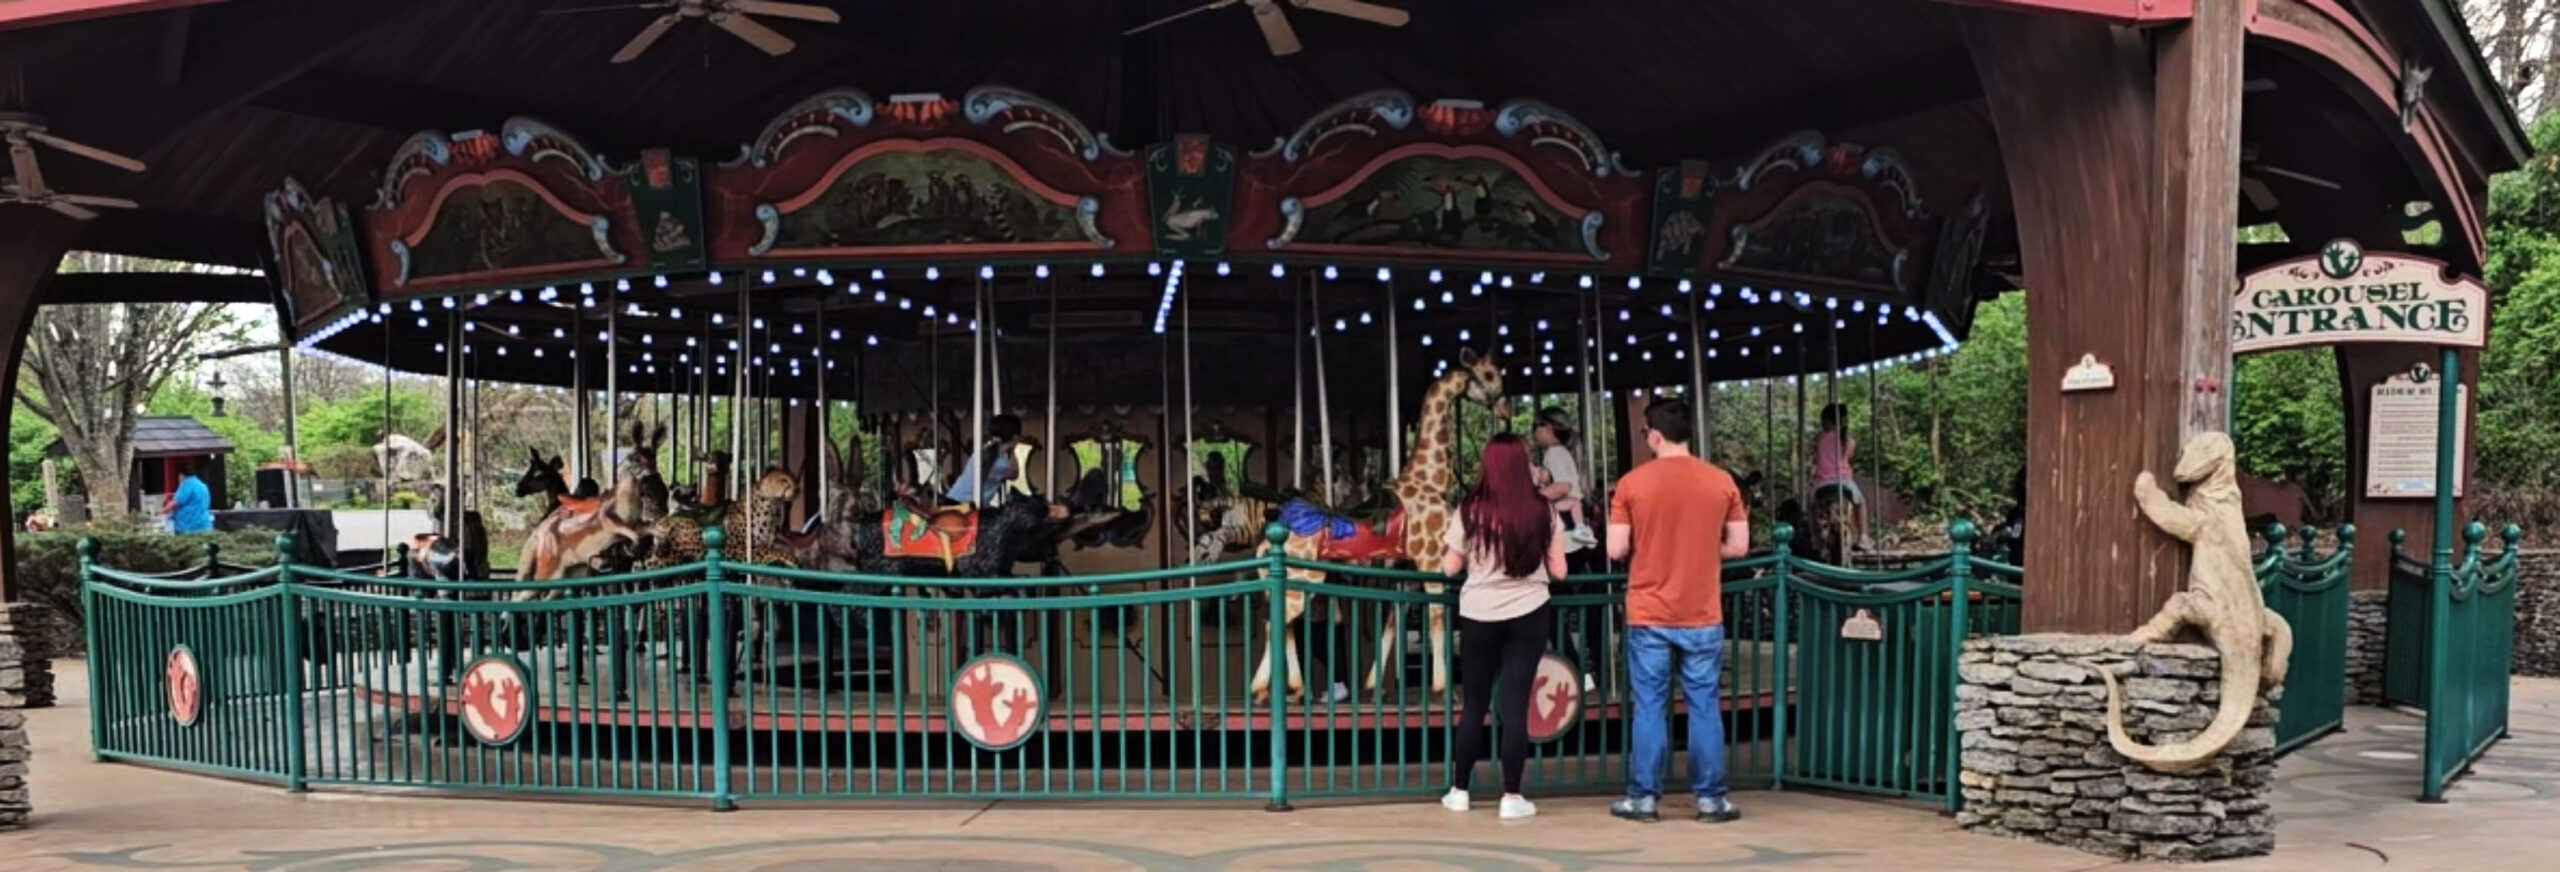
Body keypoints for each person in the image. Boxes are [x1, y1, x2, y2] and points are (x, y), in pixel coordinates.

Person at [1606, 399, 1748, 823]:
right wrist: (1706, 549)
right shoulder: (1721, 482)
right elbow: (1738, 546)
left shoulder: (1632, 484)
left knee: (1649, 705)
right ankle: (1710, 799)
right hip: (1702, 611)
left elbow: (1615, 548)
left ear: (1654, 434)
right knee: (1704, 703)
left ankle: (1644, 798)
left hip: (1649, 611)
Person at [1437, 433, 1568, 821]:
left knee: (1475, 703)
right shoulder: (1543, 511)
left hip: (1479, 612)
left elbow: (1450, 567)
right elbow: (1559, 570)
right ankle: (1511, 796)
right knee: (1514, 706)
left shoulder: (1469, 510)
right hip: (1529, 611)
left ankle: (1460, 789)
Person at [1531, 407, 1599, 549]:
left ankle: (1581, 533)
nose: (1533, 432)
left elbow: (1562, 486)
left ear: (1547, 429)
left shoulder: (1555, 453)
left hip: (1566, 532)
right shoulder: (1557, 453)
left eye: (1535, 426)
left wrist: (1532, 498)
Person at [1811, 402, 1869, 550]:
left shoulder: (1820, 437)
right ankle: (1863, 536)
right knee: (1861, 502)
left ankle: (1815, 539)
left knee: (1811, 505)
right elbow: (1850, 457)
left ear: (1827, 421)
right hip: (1844, 482)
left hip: (1822, 482)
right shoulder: (1849, 440)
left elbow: (1817, 456)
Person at [944, 414, 1023, 506]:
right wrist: (1013, 450)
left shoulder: (983, 452)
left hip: (955, 500)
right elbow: (1015, 474)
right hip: (964, 506)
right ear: (1015, 438)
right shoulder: (1001, 464)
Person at [165, 463, 214, 534]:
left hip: (189, 527)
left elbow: (175, 503)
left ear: (181, 475)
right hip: (204, 525)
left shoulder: (186, 484)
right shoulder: (203, 485)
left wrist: (160, 512)